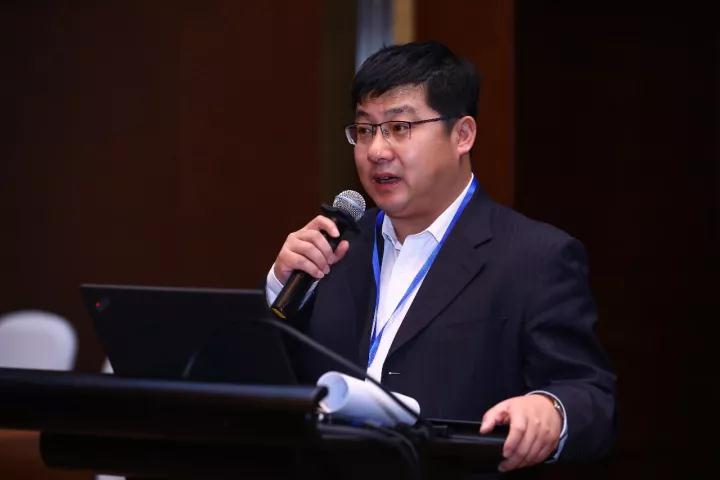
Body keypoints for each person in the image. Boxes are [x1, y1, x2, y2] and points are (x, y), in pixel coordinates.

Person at [266, 41, 615, 473]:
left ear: (462, 135)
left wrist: (551, 409)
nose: (376, 151)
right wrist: (280, 290)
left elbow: (590, 395)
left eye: (399, 127)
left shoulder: (536, 258)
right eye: (365, 130)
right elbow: (267, 386)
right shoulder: (334, 248)